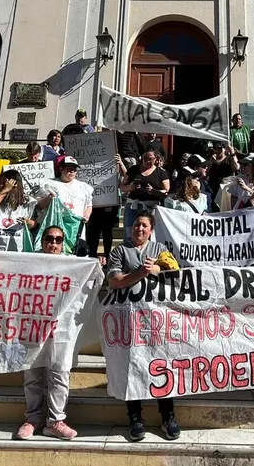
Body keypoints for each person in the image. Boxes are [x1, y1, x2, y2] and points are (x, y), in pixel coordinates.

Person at [106, 213, 181, 441]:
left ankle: (167, 416)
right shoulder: (120, 251)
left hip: (156, 321)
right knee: (132, 366)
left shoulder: (160, 248)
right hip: (129, 319)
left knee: (161, 365)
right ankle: (135, 418)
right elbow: (114, 281)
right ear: (131, 228)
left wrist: (155, 269)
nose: (140, 228)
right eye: (137, 224)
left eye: (144, 225)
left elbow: (174, 272)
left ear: (151, 229)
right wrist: (140, 273)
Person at [14, 225, 79, 441]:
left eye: (58, 239)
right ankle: (33, 419)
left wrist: (97, 266)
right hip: (33, 326)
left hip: (61, 329)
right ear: (41, 241)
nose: (53, 243)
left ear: (63, 243)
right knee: (32, 374)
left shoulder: (73, 264)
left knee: (59, 373)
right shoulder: (29, 263)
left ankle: (55, 421)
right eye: (49, 239)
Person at [0, 169, 37, 251]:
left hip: (15, 249)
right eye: (0, 183)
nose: (1, 186)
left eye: (4, 183)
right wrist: (5, 190)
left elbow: (35, 224)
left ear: (15, 184)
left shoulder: (28, 202)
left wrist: (28, 222)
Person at [120, 149, 170, 242]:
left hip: (150, 208)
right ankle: (128, 250)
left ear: (156, 159)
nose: (147, 161)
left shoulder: (161, 172)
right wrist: (130, 187)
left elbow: (166, 191)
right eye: (145, 158)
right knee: (129, 233)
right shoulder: (133, 170)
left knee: (149, 234)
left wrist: (154, 191)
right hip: (132, 206)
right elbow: (122, 186)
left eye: (150, 159)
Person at [37, 155, 93, 229]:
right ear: (61, 169)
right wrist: (48, 199)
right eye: (69, 169)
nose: (72, 171)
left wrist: (86, 215)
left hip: (76, 227)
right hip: (55, 228)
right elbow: (38, 206)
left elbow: (89, 205)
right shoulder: (49, 184)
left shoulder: (84, 187)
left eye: (74, 169)